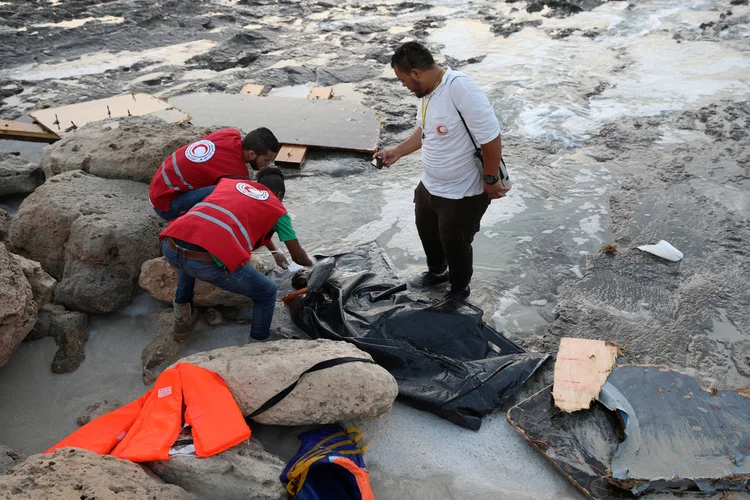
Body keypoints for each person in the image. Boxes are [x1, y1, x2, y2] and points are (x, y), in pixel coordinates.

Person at [373, 41, 509, 299]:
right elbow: (424, 132)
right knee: (426, 228)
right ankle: (437, 274)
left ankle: (459, 291)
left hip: (463, 192)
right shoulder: (427, 93)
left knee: (455, 244)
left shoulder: (460, 88)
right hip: (431, 184)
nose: (403, 86)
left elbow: (492, 138)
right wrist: (397, 151)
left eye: (402, 80)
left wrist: (490, 179)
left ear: (415, 73)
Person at [159, 167, 313, 341]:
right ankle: (258, 342)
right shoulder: (277, 209)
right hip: (204, 264)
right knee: (267, 292)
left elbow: (249, 220)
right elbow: (298, 256)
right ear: (278, 195)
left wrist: (275, 252)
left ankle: (181, 320)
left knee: (190, 253)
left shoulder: (233, 185)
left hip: (170, 246)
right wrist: (314, 267)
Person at [149, 127, 280, 221]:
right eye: (266, 160)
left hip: (158, 186)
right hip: (166, 204)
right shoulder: (236, 174)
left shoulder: (230, 133)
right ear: (251, 154)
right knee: (232, 192)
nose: (267, 164)